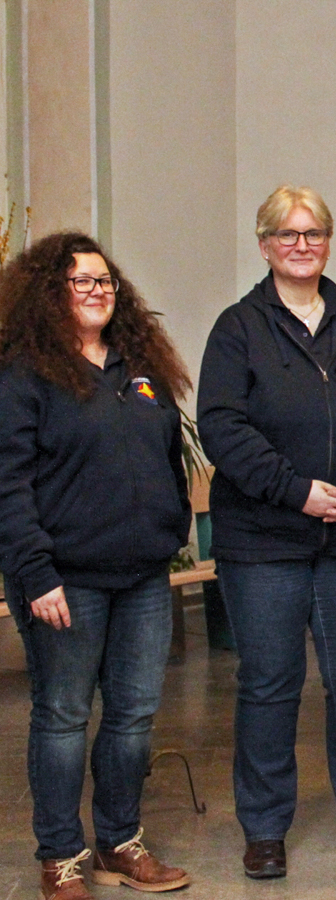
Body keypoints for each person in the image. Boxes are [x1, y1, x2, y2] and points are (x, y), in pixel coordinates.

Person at [198, 185, 336, 879]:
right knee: (269, 685)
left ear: (328, 240)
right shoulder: (238, 328)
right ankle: (263, 827)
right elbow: (223, 428)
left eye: (313, 232)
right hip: (264, 543)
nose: (301, 244)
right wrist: (298, 494)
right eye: (286, 234)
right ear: (264, 246)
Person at [0, 233, 193, 899]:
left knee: (135, 715)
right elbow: (9, 484)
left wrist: (169, 530)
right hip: (65, 581)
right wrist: (35, 573)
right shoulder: (26, 373)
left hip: (141, 575)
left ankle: (119, 840)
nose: (96, 291)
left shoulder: (139, 369)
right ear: (47, 292)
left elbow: (169, 459)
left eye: (105, 281)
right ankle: (60, 856)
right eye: (79, 281)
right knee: (62, 716)